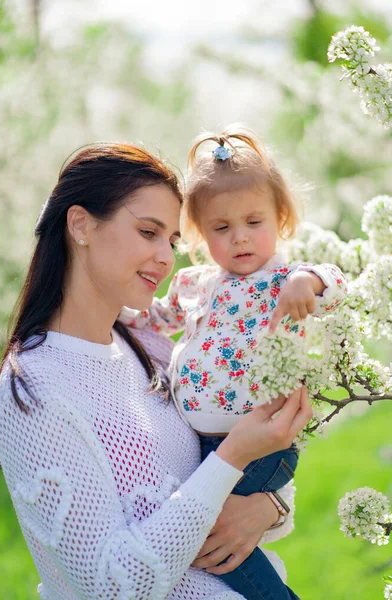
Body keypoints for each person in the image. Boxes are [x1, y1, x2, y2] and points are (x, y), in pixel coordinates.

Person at [0, 142, 313, 600]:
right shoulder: (36, 389)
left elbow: (228, 466)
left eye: (173, 241)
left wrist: (271, 505)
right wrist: (233, 458)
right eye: (148, 232)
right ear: (81, 224)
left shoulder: (152, 346)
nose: (167, 257)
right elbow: (109, 587)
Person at [120, 128, 348, 599]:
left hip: (264, 444)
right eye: (221, 228)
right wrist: (118, 314)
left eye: (253, 222)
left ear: (281, 219)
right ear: (200, 234)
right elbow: (155, 319)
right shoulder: (195, 282)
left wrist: (310, 279)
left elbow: (336, 282)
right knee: (213, 540)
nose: (240, 238)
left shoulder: (282, 280)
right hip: (208, 443)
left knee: (211, 536)